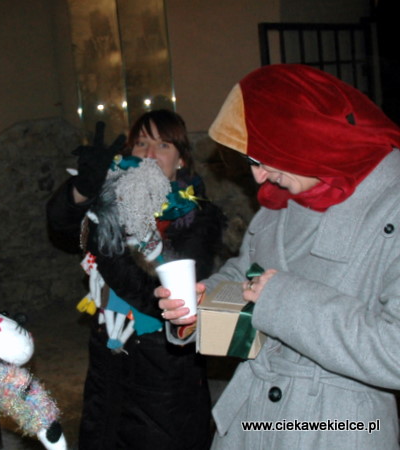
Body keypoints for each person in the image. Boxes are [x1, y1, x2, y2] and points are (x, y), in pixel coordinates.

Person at [158, 64, 400, 448]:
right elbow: (249, 274)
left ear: (303, 137)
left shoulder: (391, 204)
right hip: (253, 421)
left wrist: (282, 300)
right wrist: (200, 307)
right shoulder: (282, 197)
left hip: (340, 429)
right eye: (251, 161)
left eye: (264, 158)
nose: (258, 178)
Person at [47, 112, 226, 449]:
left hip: (163, 369)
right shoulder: (111, 200)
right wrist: (83, 189)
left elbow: (163, 300)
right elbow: (60, 225)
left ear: (181, 160)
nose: (149, 154)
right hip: (109, 356)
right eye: (141, 143)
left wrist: (107, 246)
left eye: (163, 145)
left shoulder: (195, 217)